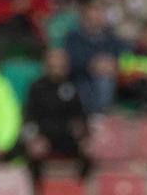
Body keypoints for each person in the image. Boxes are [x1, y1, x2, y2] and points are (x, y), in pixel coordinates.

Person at [21, 47, 93, 187]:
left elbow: (80, 115)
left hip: (66, 136)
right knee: (32, 155)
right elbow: (28, 117)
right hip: (43, 136)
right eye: (54, 64)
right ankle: (38, 193)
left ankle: (78, 190)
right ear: (47, 65)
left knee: (89, 154)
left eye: (62, 64)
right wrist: (32, 139)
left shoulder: (72, 87)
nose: (58, 67)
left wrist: (85, 136)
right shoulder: (36, 87)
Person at [62, 0, 124, 116]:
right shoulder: (74, 37)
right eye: (93, 11)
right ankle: (93, 116)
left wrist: (113, 63)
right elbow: (70, 59)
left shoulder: (113, 37)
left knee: (105, 80)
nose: (96, 15)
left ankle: (100, 116)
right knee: (85, 87)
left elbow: (122, 56)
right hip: (80, 78)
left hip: (109, 79)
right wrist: (92, 64)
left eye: (99, 11)